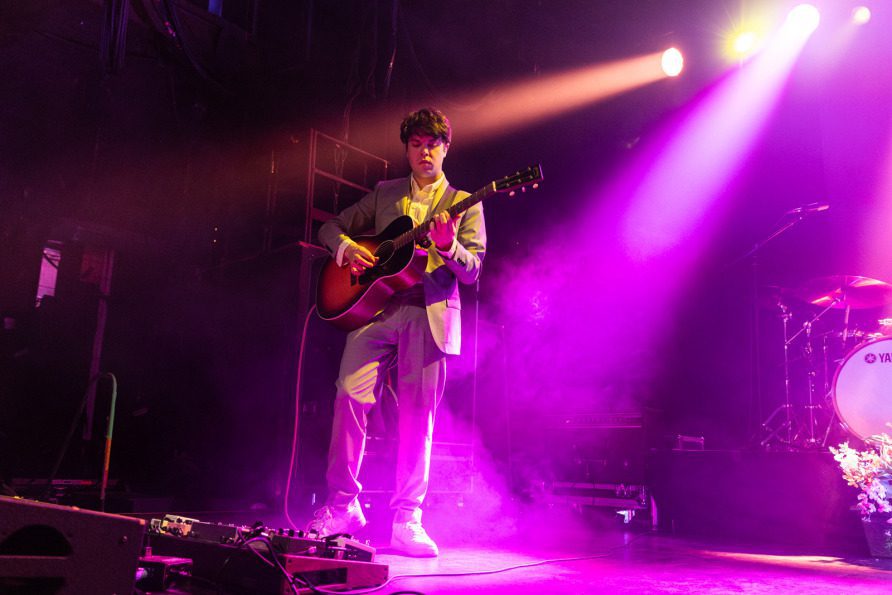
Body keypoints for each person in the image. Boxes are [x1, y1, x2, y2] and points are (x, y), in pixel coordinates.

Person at [311, 107, 486, 557]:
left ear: (446, 148)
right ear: (407, 150)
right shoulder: (384, 192)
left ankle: (408, 519)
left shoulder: (466, 201)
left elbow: (473, 270)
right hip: (375, 310)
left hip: (428, 312)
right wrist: (346, 249)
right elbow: (330, 226)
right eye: (416, 144)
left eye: (433, 144)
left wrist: (448, 246)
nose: (425, 152)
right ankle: (342, 506)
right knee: (348, 395)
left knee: (416, 418)